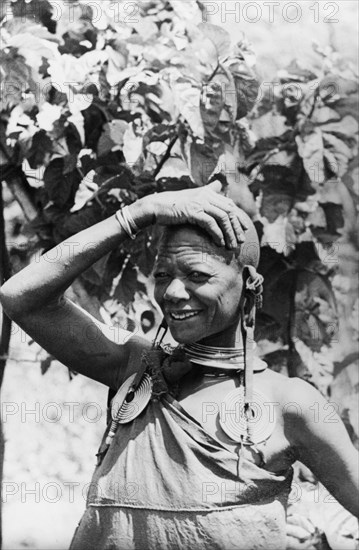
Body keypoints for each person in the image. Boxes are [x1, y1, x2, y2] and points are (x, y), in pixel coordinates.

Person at [0, 181, 358, 550]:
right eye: (162, 275)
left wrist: (323, 540)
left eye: (197, 275)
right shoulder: (135, 369)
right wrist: (138, 213)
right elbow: (21, 297)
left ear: (248, 284)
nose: (171, 293)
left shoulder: (289, 403)